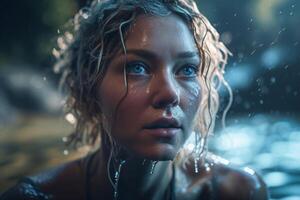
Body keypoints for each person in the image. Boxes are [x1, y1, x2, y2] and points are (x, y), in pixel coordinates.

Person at [0, 0, 269, 199]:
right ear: (88, 86)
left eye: (187, 70)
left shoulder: (236, 191)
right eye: (137, 68)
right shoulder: (34, 197)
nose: (170, 94)